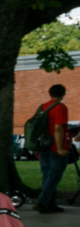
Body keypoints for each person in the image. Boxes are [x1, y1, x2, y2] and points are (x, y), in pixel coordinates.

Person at [32, 84, 69, 214]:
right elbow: (58, 128)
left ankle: (50, 204)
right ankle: (42, 202)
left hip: (43, 145)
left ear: (50, 93)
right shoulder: (60, 107)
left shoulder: (42, 107)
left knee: (47, 175)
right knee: (54, 176)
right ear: (63, 94)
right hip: (55, 147)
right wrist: (60, 148)